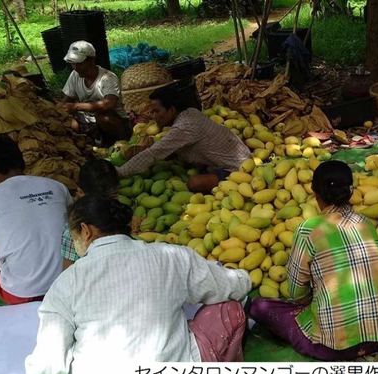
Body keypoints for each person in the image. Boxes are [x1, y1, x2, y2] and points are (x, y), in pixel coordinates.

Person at [25, 195, 252, 374]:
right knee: (229, 308)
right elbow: (232, 286)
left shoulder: (67, 282)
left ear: (85, 231)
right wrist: (244, 277)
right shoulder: (172, 257)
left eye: (73, 236)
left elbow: (48, 363)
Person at [249, 161, 378, 361]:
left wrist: (313, 299)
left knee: (259, 306)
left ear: (316, 194)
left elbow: (297, 292)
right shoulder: (366, 224)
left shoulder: (309, 229)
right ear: (351, 191)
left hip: (333, 347)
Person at [0, 136, 72, 305]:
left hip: (22, 293)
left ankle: (3, 282)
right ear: (23, 162)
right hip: (69, 282)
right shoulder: (56, 187)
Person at [117, 85, 251, 193]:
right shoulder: (190, 112)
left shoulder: (184, 127)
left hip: (239, 169)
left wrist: (119, 173)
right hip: (231, 159)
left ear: (172, 110)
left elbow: (153, 154)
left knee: (194, 183)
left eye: (157, 111)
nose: (153, 116)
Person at [60, 40, 132, 147]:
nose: (76, 67)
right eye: (73, 64)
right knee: (68, 122)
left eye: (79, 63)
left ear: (91, 60)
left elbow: (109, 104)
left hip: (116, 123)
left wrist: (76, 106)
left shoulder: (108, 78)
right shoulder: (75, 75)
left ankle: (125, 144)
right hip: (89, 122)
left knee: (104, 118)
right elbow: (66, 102)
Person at [61, 158, 120, 270]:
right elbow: (68, 273)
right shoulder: (74, 231)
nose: (105, 206)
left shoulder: (123, 221)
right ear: (80, 193)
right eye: (98, 200)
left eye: (113, 197)